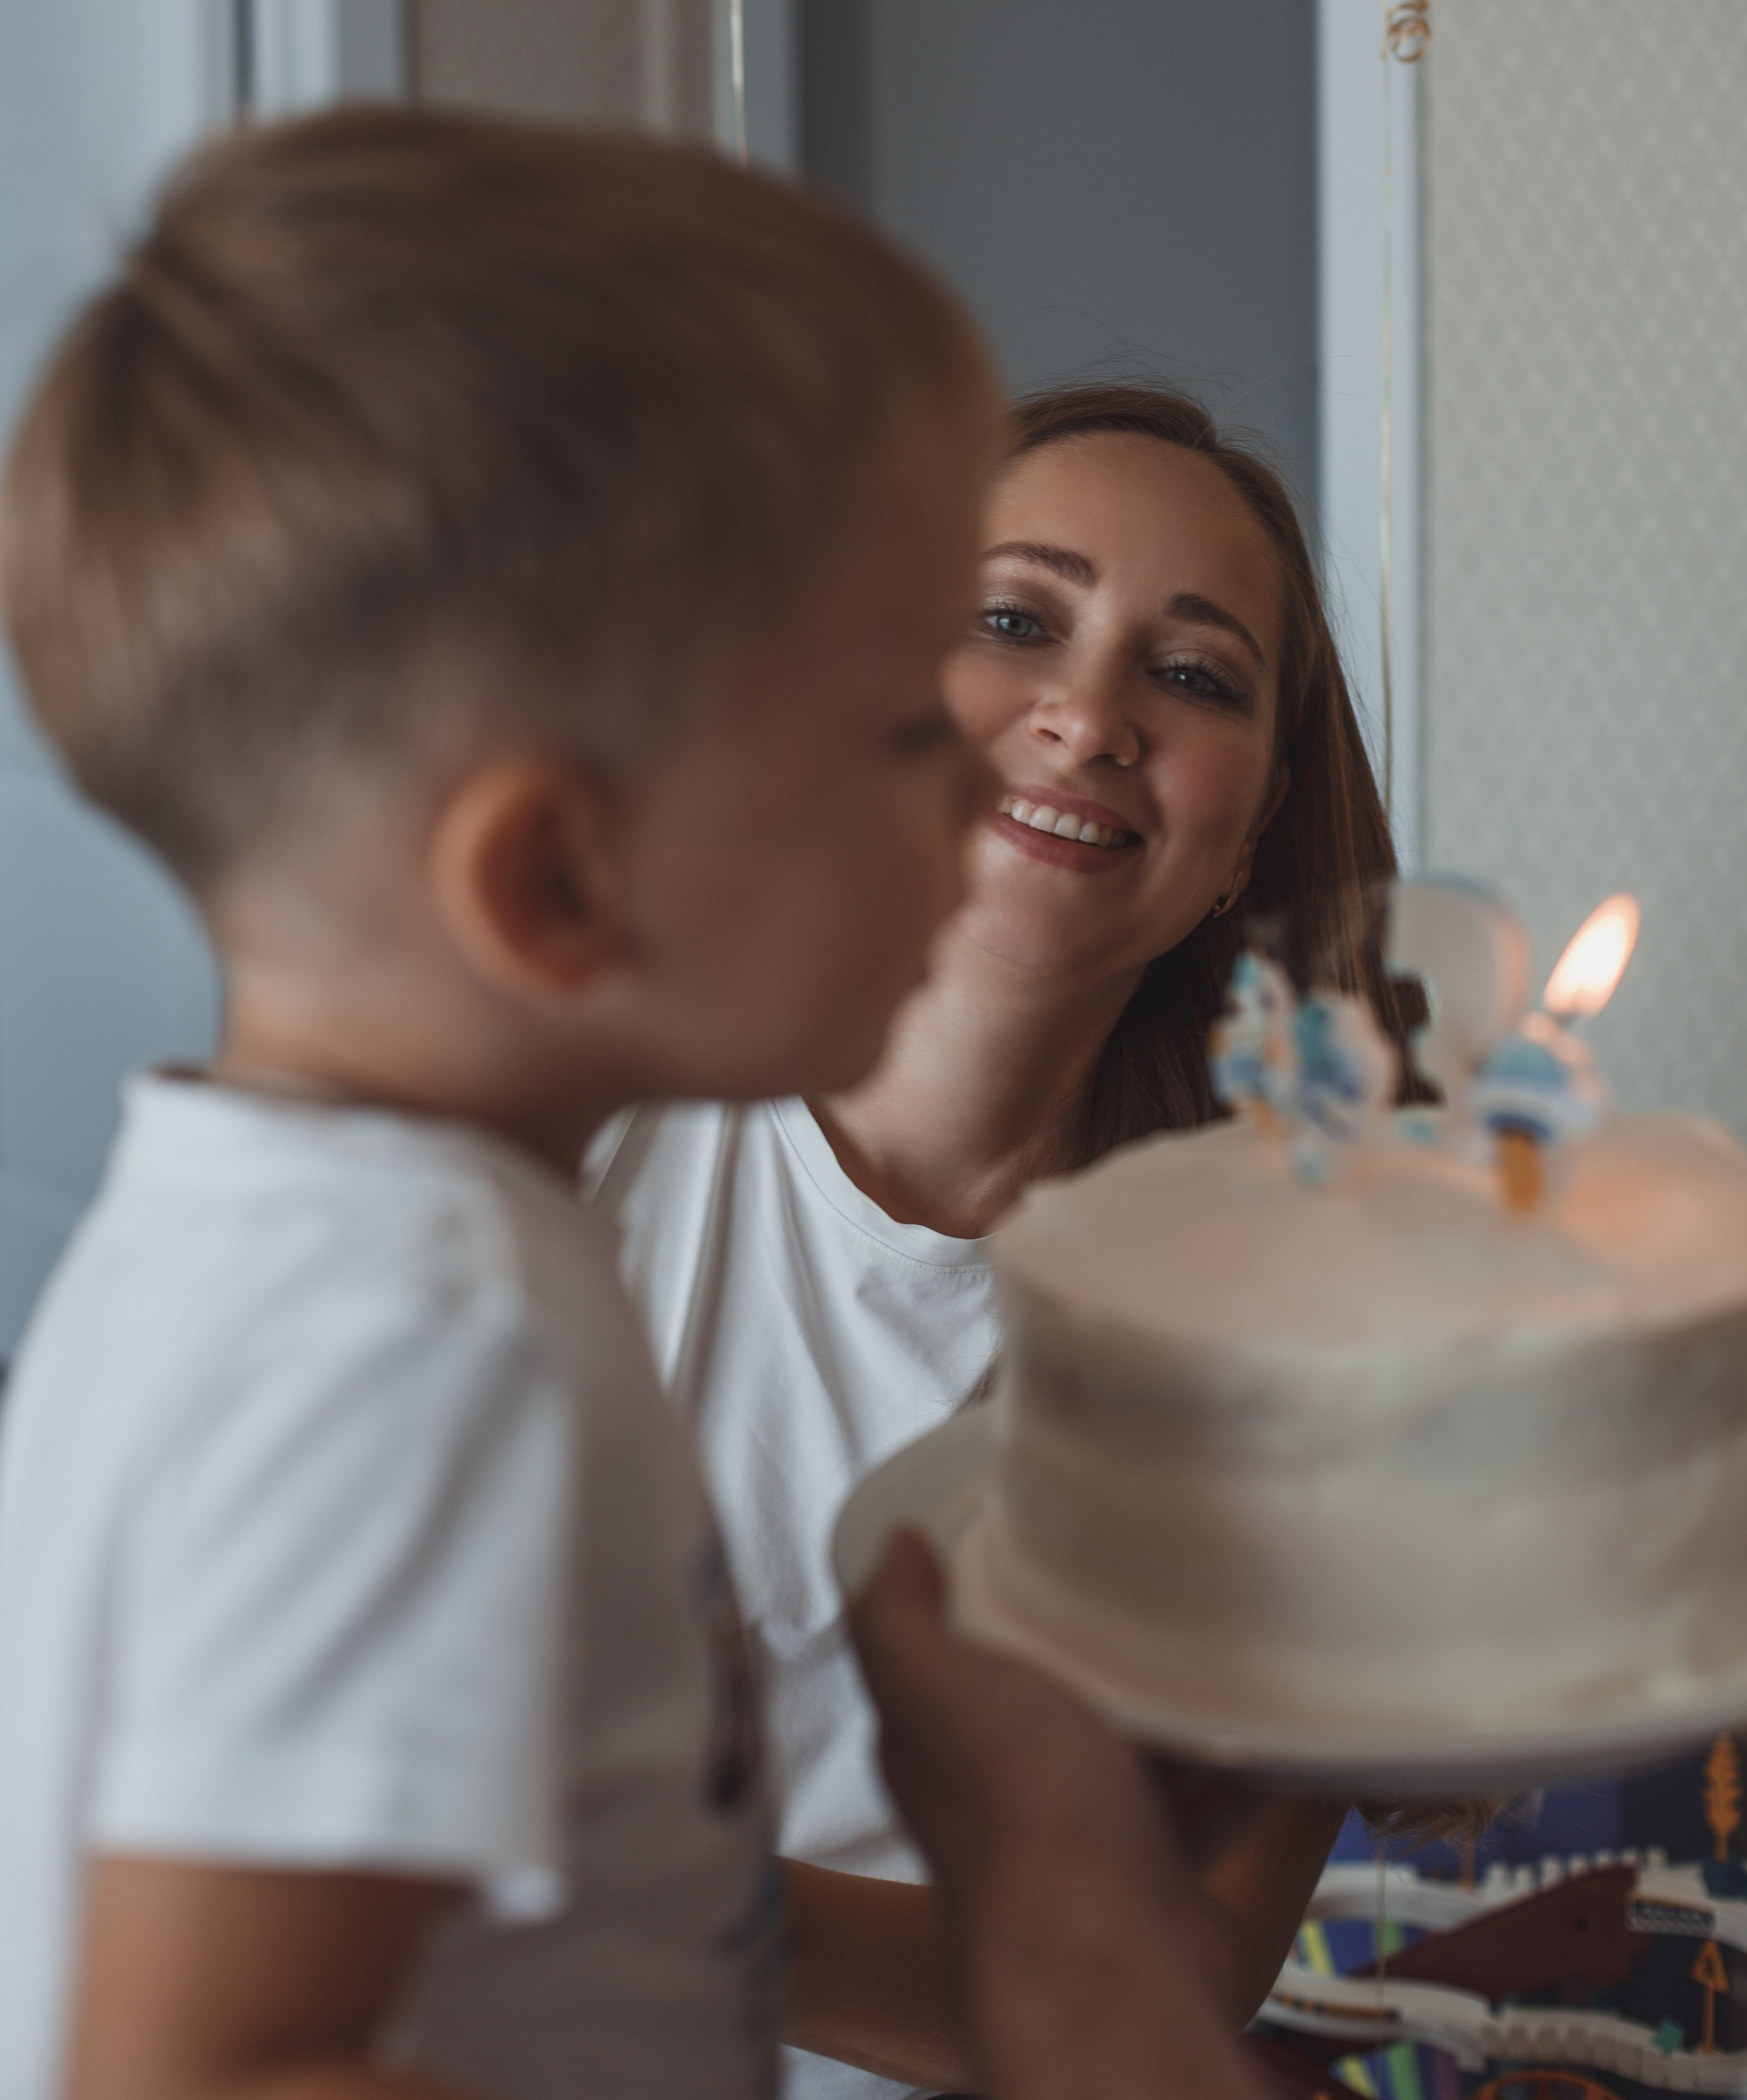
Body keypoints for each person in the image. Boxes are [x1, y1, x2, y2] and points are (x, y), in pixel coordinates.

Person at [0, 117, 1267, 2100]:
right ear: (557, 885)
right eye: (878, 723)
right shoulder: (417, 1346)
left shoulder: (360, 1258)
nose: (976, 779)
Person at [591, 380, 1408, 2100]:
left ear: (1246, 826)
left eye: (1189, 675)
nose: (1087, 714)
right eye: (1010, 621)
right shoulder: (562, 1124)